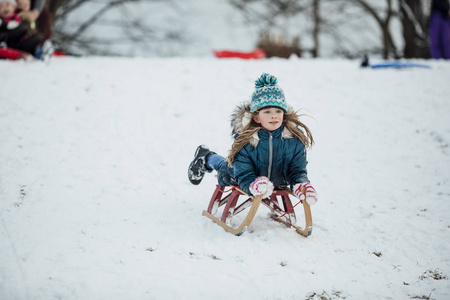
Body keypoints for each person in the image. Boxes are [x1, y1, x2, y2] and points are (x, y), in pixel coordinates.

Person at [187, 73, 318, 205]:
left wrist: (301, 183)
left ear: (284, 114)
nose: (274, 116)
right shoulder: (248, 140)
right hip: (241, 176)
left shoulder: (294, 140)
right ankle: (207, 157)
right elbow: (243, 172)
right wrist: (252, 183)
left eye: (278, 111)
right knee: (225, 167)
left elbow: (297, 169)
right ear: (256, 118)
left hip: (275, 181)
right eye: (267, 112)